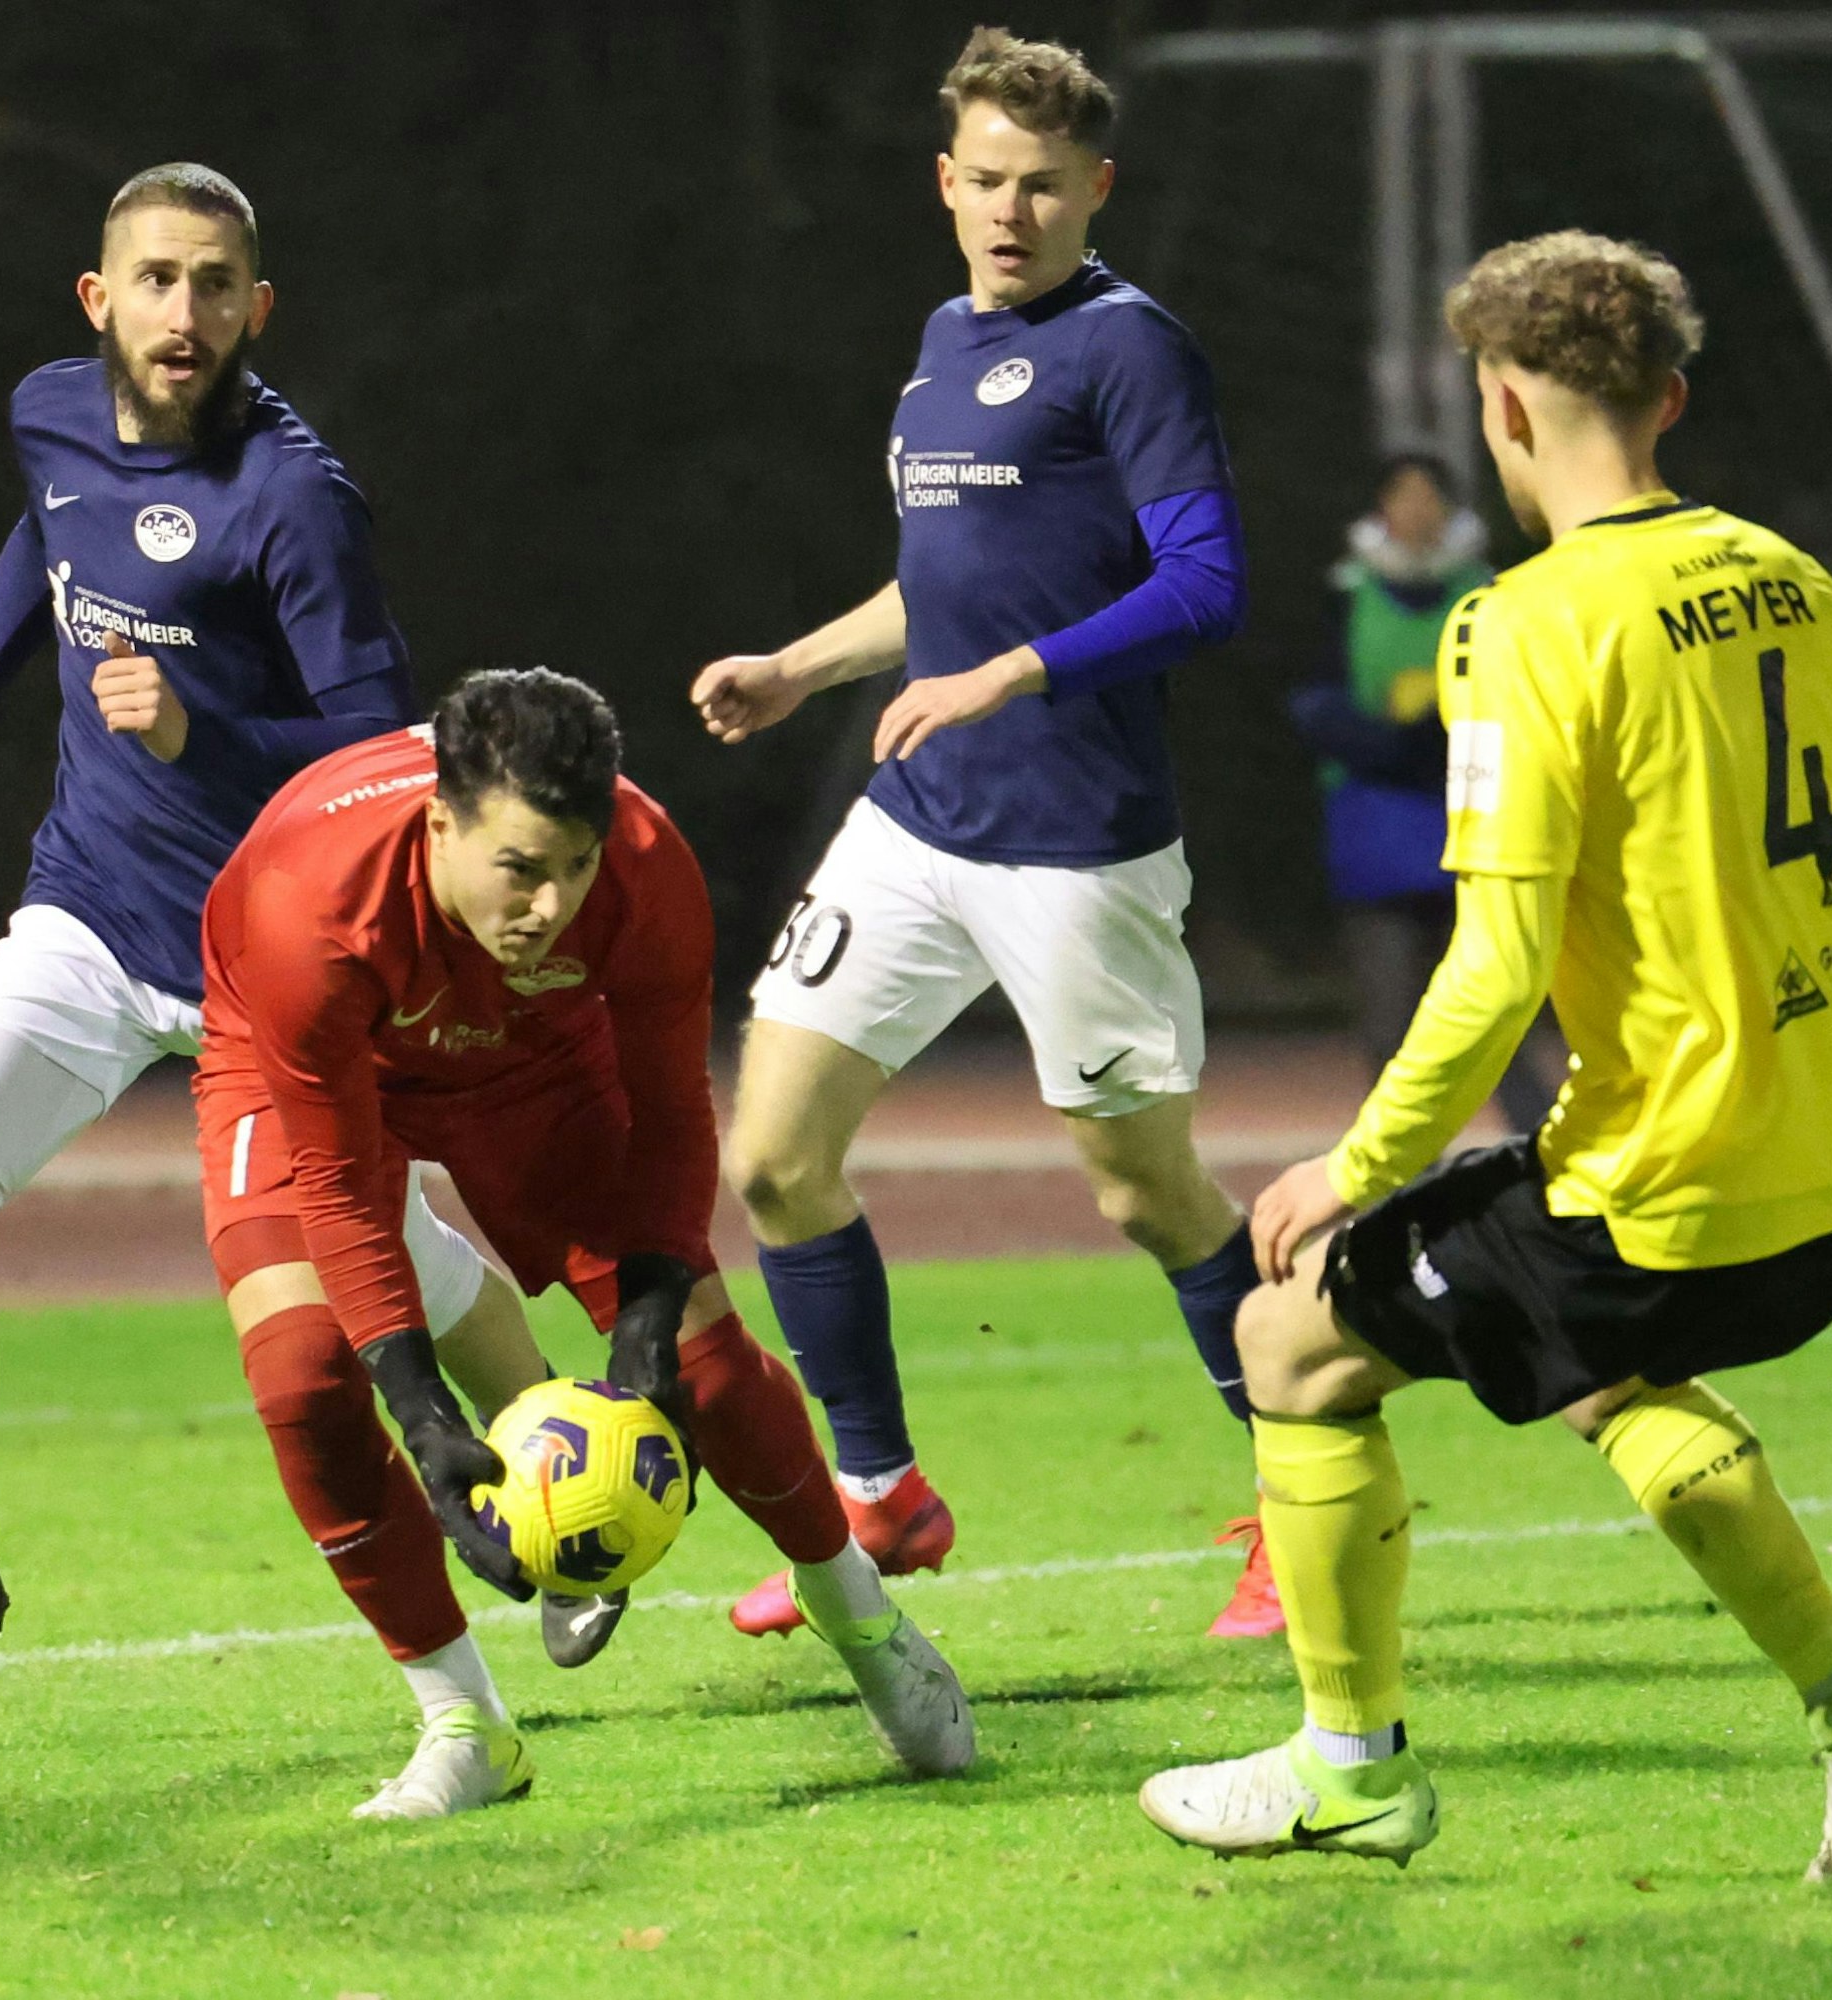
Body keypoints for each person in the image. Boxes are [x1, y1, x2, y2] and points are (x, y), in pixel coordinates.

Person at [1139, 231, 1832, 1880]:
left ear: (1504, 408)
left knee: (1284, 1337)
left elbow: (1496, 968)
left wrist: (1353, 1165)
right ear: (1667, 398)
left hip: (1664, 1175)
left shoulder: (1522, 624)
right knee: (1604, 1372)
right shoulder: (1801, 581)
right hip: (1813, 1164)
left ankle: (1350, 1767)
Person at [0, 163, 517, 1698]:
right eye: (155, 279)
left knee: (386, 1251)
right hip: (88, 913)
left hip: (261, 950)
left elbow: (377, 740)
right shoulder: (52, 415)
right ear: (99, 300)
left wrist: (197, 729)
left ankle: (553, 1476)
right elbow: (52, 542)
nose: (184, 311)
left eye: (216, 284)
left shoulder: (295, 496)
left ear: (257, 309)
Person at [692, 27, 1279, 1642]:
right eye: (986, 182)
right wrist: (800, 667)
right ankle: (880, 1495)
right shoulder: (944, 340)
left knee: (1143, 1191)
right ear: (945, 184)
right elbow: (944, 589)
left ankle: (1304, 1502)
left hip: (1077, 841)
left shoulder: (1130, 349)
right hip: (925, 821)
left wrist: (1012, 672)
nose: (1011, 211)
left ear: (1095, 188)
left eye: (1043, 185)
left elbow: (1205, 587)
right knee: (773, 1158)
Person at [195, 669, 975, 1819]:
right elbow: (345, 1187)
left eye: (574, 865)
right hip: (305, 1065)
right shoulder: (306, 909)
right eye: (518, 867)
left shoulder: (648, 867)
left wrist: (651, 1316)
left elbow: (670, 1113)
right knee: (304, 1376)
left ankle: (859, 1613)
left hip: (528, 1062)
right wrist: (422, 1412)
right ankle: (463, 1723)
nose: (551, 903)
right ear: (440, 823)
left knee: (706, 1365)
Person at [1290, 455, 1562, 1134]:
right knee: (1388, 1018)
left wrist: (1439, 737)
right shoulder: (1344, 595)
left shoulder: (1492, 592)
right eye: (1400, 496)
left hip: (1476, 822)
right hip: (1377, 828)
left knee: (1499, 1004)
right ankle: (1391, 1166)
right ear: (1378, 510)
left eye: (1428, 497)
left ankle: (1543, 1152)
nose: (1416, 510)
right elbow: (1312, 701)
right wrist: (1391, 744)